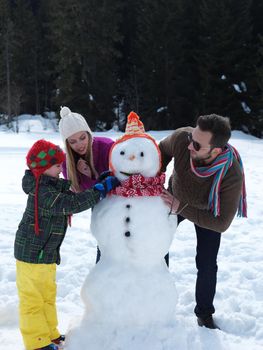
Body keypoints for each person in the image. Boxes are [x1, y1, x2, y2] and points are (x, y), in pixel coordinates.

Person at [14, 139, 119, 350]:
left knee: (46, 296)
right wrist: (99, 190)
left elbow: (77, 196)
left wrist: (98, 181)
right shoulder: (42, 191)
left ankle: (49, 334)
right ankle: (36, 342)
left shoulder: (51, 185)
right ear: (44, 168)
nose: (60, 170)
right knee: (33, 301)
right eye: (56, 166)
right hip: (31, 255)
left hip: (45, 255)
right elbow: (70, 204)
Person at [159, 114, 247, 329]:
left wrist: (181, 207)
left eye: (197, 145)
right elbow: (161, 151)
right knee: (156, 249)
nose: (190, 146)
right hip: (174, 197)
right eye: (191, 138)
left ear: (216, 150)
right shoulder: (182, 139)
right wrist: (156, 176)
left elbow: (221, 223)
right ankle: (158, 302)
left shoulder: (231, 174)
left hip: (208, 211)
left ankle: (205, 314)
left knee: (207, 264)